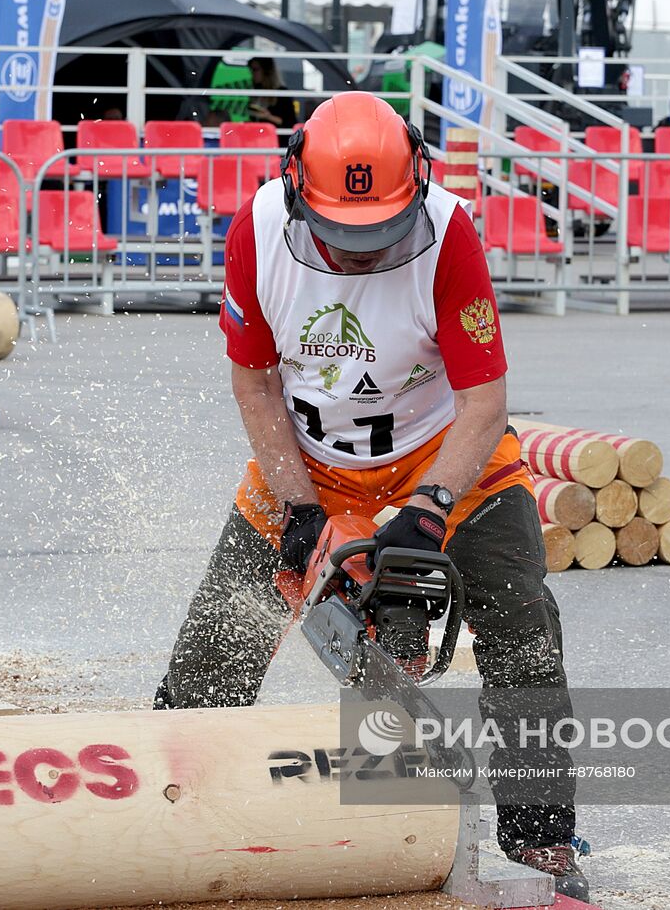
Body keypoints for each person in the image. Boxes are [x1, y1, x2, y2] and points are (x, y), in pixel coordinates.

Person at [152, 91, 586, 898]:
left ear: (416, 187)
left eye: (379, 234)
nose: (359, 252)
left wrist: (427, 509)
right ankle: (163, 814)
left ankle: (541, 842)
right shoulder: (257, 231)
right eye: (342, 235)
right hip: (310, 459)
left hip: (449, 449)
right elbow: (253, 381)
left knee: (522, 626)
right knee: (219, 643)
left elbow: (486, 401)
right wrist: (299, 507)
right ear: (297, 189)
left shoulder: (450, 233)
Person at [247, 56, 297, 128]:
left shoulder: (281, 93)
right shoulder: (256, 91)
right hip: (258, 135)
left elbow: (290, 122)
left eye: (255, 70)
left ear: (266, 71)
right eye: (251, 70)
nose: (252, 74)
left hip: (277, 136)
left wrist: (268, 116)